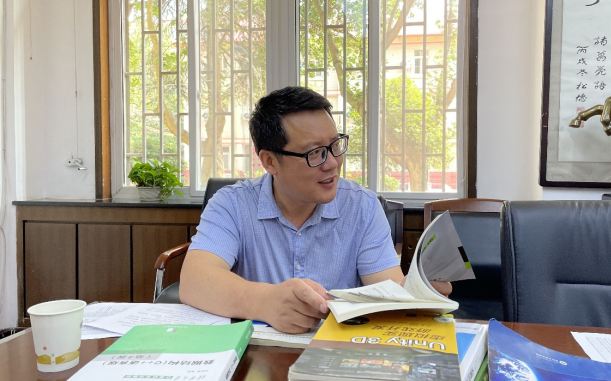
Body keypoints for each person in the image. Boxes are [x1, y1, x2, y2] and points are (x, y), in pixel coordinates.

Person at [180, 86, 451, 333]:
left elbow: (387, 288)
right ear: (269, 161)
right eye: (314, 153)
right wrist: (265, 302)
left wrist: (417, 293)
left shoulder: (362, 206)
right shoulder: (232, 204)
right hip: (256, 353)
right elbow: (195, 280)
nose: (332, 163)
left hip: (338, 351)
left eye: (335, 145)